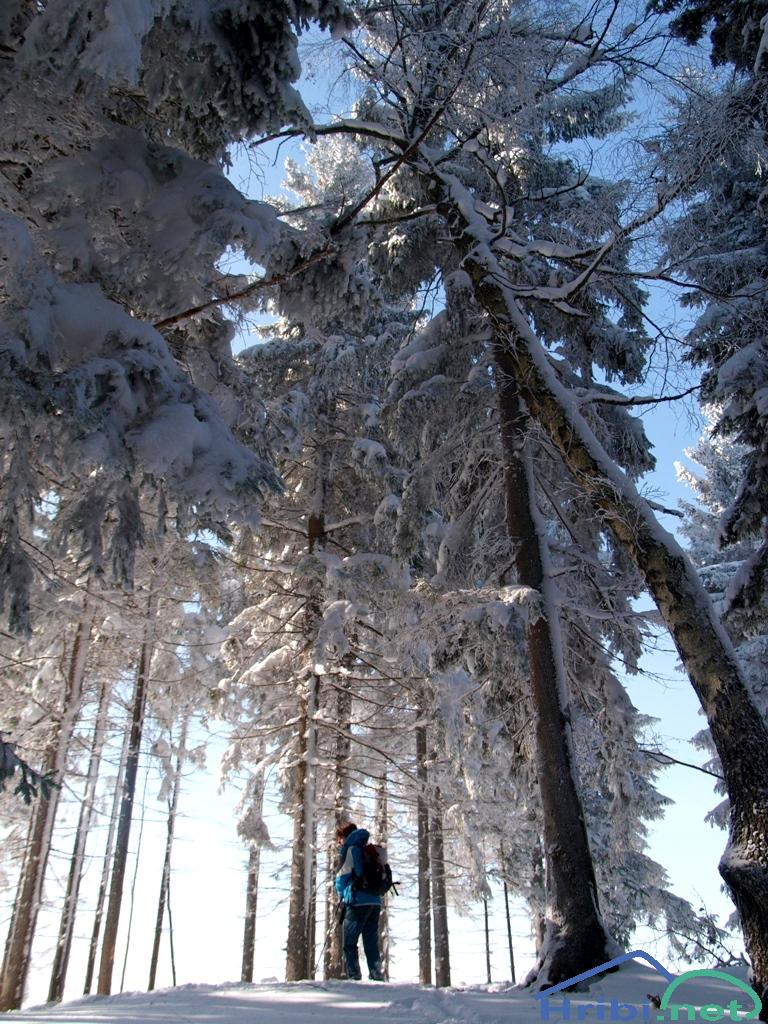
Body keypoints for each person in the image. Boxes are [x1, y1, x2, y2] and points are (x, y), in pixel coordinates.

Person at [334, 821, 384, 982]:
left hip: (357, 902)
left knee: (350, 942)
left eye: (339, 839)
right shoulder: (367, 849)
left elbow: (342, 877)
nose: (339, 843)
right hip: (374, 902)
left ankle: (354, 977)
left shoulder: (351, 849)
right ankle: (376, 975)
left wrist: (342, 894)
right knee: (371, 941)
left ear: (345, 836)